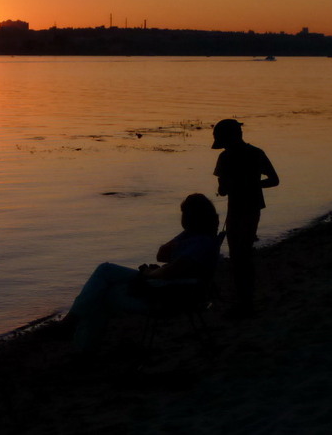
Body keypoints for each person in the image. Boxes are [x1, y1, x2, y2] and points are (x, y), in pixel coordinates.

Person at [60, 193, 222, 354]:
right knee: (104, 274)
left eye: (184, 214)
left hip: (171, 297)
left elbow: (169, 271)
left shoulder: (202, 243)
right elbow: (161, 255)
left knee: (101, 294)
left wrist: (149, 273)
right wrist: (157, 268)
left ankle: (79, 339)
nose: (182, 218)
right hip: (166, 288)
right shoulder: (191, 235)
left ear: (192, 217)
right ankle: (77, 332)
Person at [211, 119, 279, 317]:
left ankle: (245, 303)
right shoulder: (256, 153)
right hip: (251, 207)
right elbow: (274, 180)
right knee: (243, 255)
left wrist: (232, 187)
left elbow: (222, 190)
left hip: (240, 209)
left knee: (239, 255)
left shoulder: (225, 158)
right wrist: (254, 185)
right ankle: (245, 301)